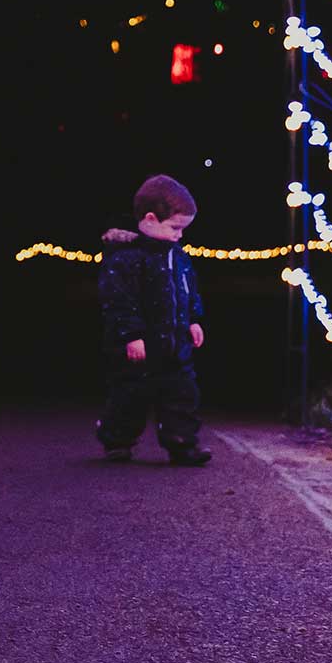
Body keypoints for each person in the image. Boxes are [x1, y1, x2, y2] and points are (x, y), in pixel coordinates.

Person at [95, 174, 211, 467]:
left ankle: (182, 444)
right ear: (149, 219)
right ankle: (117, 440)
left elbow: (188, 289)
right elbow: (119, 300)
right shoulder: (126, 258)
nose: (179, 235)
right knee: (129, 395)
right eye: (175, 227)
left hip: (174, 345)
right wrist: (131, 335)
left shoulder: (178, 256)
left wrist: (194, 320)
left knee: (182, 395)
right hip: (141, 348)